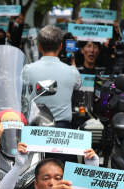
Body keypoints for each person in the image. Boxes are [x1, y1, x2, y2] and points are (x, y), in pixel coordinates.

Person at [22, 25, 81, 163]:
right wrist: (72, 62)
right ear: (61, 47)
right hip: (62, 133)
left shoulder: (27, 69)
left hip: (34, 131)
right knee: (65, 175)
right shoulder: (72, 71)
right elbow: (78, 85)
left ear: (39, 47)